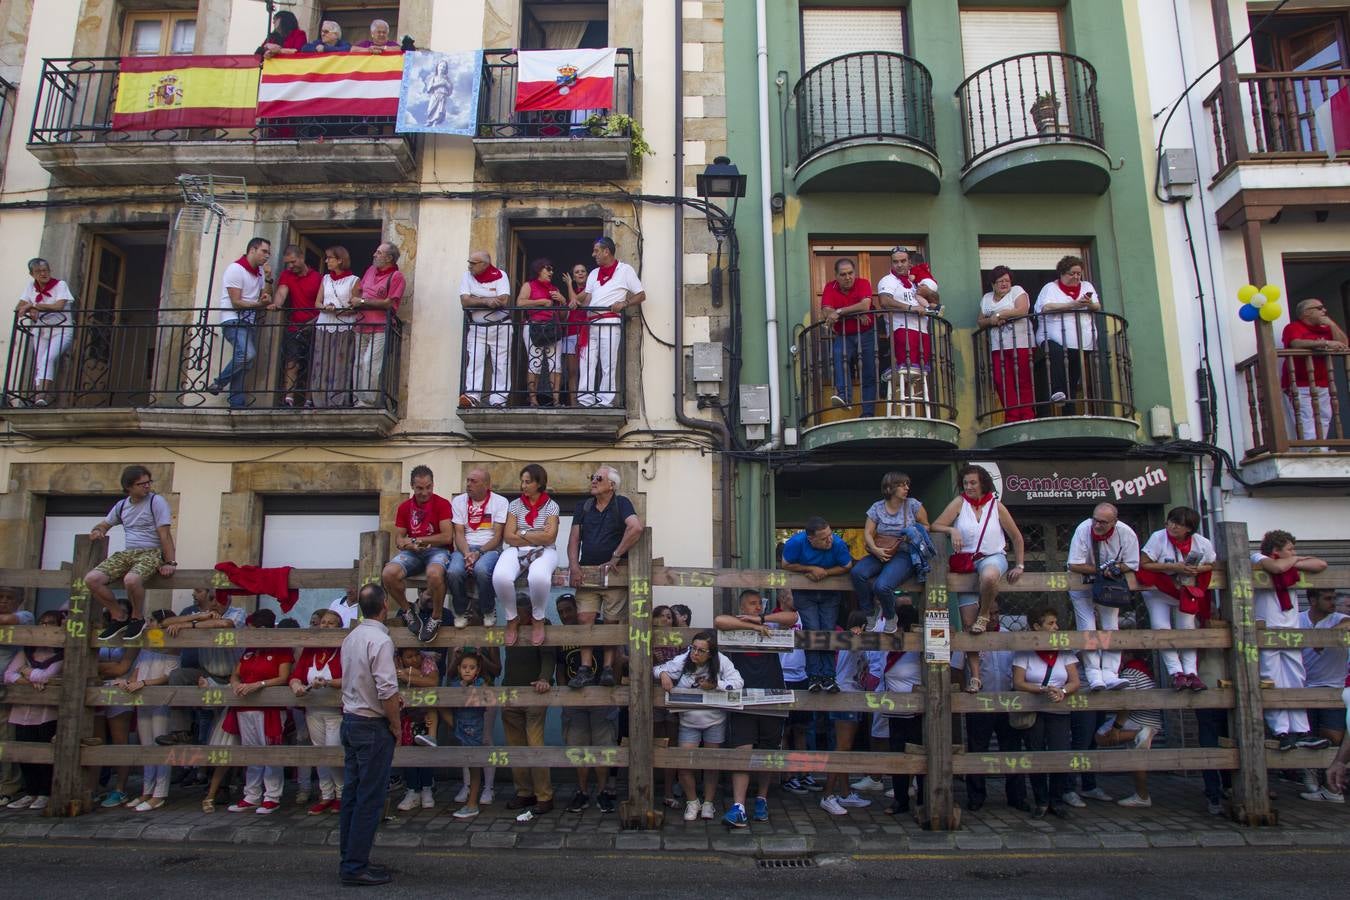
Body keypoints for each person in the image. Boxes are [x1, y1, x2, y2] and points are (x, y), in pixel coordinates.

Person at [930, 464, 1025, 690]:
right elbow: (935, 524)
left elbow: (1017, 537)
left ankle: (985, 614)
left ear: (983, 483)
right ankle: (975, 675)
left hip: (992, 556)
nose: (969, 487)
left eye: (973, 483)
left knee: (991, 577)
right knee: (967, 624)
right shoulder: (959, 503)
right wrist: (952, 530)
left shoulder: (996, 506)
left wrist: (1020, 564)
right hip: (965, 563)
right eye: (965, 483)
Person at [714, 588, 796, 828]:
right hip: (742, 697)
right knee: (743, 749)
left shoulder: (770, 622)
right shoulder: (735, 624)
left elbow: (793, 617)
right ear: (742, 607)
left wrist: (762, 620)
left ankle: (762, 798)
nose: (757, 607)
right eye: (752, 604)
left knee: (769, 750)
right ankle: (739, 806)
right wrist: (752, 626)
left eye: (759, 604)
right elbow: (719, 621)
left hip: (773, 695)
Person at [338, 585, 400, 886]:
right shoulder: (381, 640)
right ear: (384, 606)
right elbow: (387, 689)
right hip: (371, 724)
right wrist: (396, 724)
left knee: (352, 793)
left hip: (350, 719)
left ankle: (350, 858)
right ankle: (355, 865)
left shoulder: (351, 638)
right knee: (369, 798)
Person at [1252, 530, 1333, 752]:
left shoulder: (1291, 562)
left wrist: (1294, 559)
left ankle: (1301, 730)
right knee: (1272, 678)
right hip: (1267, 629)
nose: (1294, 553)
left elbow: (1321, 564)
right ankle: (1281, 731)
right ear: (1275, 550)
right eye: (1289, 549)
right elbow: (1276, 568)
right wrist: (1296, 561)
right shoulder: (1258, 558)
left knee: (1296, 677)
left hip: (1290, 628)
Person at [655, 630, 743, 822]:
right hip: (688, 721)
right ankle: (692, 801)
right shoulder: (684, 659)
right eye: (693, 648)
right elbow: (659, 668)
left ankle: (709, 802)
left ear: (710, 653)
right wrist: (663, 674)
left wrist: (716, 684)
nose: (695, 653)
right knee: (685, 761)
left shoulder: (721, 661)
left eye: (701, 651)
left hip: (714, 720)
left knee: (711, 763)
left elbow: (738, 682)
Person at [566, 465, 642, 687]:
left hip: (614, 575)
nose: (593, 481)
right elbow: (573, 540)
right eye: (592, 477)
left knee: (611, 621)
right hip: (587, 573)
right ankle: (585, 668)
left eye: (598, 478)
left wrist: (616, 556)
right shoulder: (584, 506)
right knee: (584, 619)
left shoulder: (622, 503)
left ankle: (608, 668)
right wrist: (574, 566)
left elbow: (636, 528)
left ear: (612, 484)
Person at [88, 464, 177, 642]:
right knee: (91, 579)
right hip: (129, 552)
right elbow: (105, 524)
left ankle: (137, 617)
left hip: (150, 551)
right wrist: (98, 530)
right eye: (141, 484)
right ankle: (119, 616)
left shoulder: (156, 501)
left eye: (148, 482)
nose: (147, 486)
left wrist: (170, 562)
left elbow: (164, 534)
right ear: (128, 487)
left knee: (131, 580)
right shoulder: (121, 506)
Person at [1012, 603, 1080, 819]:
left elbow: (1075, 681)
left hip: (1058, 709)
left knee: (1060, 752)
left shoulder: (1064, 652)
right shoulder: (1025, 653)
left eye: (1055, 622)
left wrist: (1062, 691)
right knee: (1036, 753)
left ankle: (1056, 799)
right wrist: (1041, 689)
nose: (1055, 627)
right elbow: (1018, 682)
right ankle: (1041, 799)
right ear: (1036, 627)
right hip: (1034, 709)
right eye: (1050, 623)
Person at [1138, 506, 1216, 690]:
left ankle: (1191, 672)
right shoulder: (1158, 537)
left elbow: (1211, 564)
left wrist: (1195, 569)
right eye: (1171, 522)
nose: (1173, 527)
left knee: (1188, 627)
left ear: (1189, 528)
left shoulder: (1202, 543)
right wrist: (1176, 567)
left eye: (1179, 524)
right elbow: (1144, 563)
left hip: (1186, 589)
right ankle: (1175, 672)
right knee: (1161, 627)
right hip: (1159, 590)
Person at [224, 611, 293, 814]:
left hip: (270, 707)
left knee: (270, 751)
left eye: (250, 628)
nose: (248, 632)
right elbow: (236, 674)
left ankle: (272, 795)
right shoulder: (249, 650)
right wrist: (236, 684)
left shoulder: (281, 650)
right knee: (251, 751)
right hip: (246, 706)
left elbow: (283, 677)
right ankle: (251, 794)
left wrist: (258, 685)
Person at [557, 594, 620, 814]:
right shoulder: (562, 635)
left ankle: (603, 792)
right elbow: (560, 669)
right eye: (561, 612)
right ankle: (582, 792)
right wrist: (564, 697)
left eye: (568, 610)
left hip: (602, 699)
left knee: (603, 747)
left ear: (579, 609)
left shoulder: (600, 628)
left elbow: (616, 659)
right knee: (578, 748)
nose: (565, 615)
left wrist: (613, 692)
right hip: (574, 701)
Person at [1065, 502, 1138, 691]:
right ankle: (1093, 674)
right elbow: (1074, 564)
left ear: (1114, 522)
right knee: (1087, 627)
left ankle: (1110, 673)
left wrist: (1115, 569)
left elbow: (1132, 563)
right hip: (1082, 583)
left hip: (1109, 586)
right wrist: (1101, 570)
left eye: (1103, 523)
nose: (1097, 525)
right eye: (1095, 520)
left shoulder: (1126, 533)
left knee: (1110, 626)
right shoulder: (1084, 529)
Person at [780, 515, 854, 692]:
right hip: (805, 594)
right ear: (810, 539)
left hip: (830, 594)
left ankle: (829, 677)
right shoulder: (796, 543)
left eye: (830, 534)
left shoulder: (837, 543)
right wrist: (810, 568)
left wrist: (825, 573)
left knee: (827, 631)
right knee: (812, 630)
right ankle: (814, 676)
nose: (829, 539)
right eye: (824, 538)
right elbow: (786, 564)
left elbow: (847, 565)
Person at [851, 471, 931, 634]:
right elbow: (868, 532)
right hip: (880, 549)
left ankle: (890, 616)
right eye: (902, 485)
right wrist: (875, 549)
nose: (906, 488)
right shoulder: (877, 507)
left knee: (882, 586)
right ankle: (869, 613)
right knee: (857, 572)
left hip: (903, 552)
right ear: (889, 487)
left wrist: (914, 533)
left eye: (907, 484)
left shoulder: (913, 504)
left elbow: (926, 525)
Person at [382, 465, 454, 643]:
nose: (425, 492)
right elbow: (399, 538)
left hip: (437, 550)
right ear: (412, 486)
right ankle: (408, 611)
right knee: (388, 574)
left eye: (428, 487)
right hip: (413, 552)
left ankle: (436, 618)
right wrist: (407, 545)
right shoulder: (405, 507)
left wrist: (417, 540)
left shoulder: (442, 504)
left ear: (433, 484)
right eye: (420, 488)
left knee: (434, 574)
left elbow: (447, 536)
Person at [963, 621, 1029, 813]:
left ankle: (1017, 796)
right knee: (977, 750)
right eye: (989, 613)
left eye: (996, 613)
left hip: (1008, 701)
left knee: (1012, 749)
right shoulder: (969, 637)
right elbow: (957, 668)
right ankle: (976, 796)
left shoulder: (1009, 635)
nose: (993, 617)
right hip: (979, 702)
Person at [819, 611, 880, 815]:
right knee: (842, 747)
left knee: (845, 746)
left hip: (852, 693)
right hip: (846, 694)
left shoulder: (851, 640)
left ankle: (845, 793)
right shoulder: (852, 639)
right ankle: (827, 795)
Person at [501, 594, 556, 821]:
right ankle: (524, 792)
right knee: (516, 748)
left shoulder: (543, 624)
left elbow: (548, 655)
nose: (519, 617)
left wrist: (545, 678)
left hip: (534, 693)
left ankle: (544, 796)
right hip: (510, 693)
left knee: (535, 746)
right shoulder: (510, 625)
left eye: (522, 613)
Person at [3, 610, 64, 811]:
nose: (46, 627)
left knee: (44, 753)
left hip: (46, 713)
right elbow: (8, 675)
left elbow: (47, 676)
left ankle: (45, 792)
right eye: (43, 623)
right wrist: (28, 678)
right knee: (24, 753)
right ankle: (31, 791)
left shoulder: (61, 654)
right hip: (21, 710)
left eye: (51, 623)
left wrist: (26, 671)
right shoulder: (27, 650)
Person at [494, 464, 560, 648]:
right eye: (522, 481)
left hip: (545, 550)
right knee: (500, 577)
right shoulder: (515, 505)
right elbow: (508, 536)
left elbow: (550, 537)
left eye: (528, 482)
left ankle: (538, 618)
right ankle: (511, 617)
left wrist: (521, 532)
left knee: (538, 577)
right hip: (518, 549)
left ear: (539, 483)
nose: (523, 486)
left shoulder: (552, 506)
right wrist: (534, 534)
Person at [208, 237, 277, 409]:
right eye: (264, 251)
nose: (267, 256)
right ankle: (218, 383)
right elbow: (236, 302)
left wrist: (268, 279)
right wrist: (259, 305)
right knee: (247, 355)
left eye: (268, 252)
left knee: (246, 361)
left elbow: (266, 296)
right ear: (252, 250)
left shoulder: (259, 273)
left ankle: (237, 403)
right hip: (233, 319)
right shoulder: (236, 269)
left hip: (249, 321)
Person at [575, 237, 644, 408]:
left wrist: (624, 303)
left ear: (607, 251)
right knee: (587, 361)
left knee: (608, 362)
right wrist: (575, 301)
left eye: (596, 250)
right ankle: (585, 399)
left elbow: (641, 294)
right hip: (591, 322)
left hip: (609, 321)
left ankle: (605, 401)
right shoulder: (593, 274)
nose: (593, 254)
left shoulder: (625, 270)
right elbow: (588, 297)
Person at [1092, 647, 1163, 808]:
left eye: (1121, 654)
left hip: (1139, 720)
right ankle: (1142, 796)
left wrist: (1117, 728)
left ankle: (1139, 733)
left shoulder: (1130, 672)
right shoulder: (1142, 669)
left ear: (1129, 655)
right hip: (1151, 719)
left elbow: (1127, 704)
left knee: (1101, 736)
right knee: (1137, 759)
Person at [291, 609, 345, 815]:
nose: (326, 626)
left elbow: (350, 678)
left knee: (333, 751)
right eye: (324, 623)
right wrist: (296, 686)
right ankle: (326, 794)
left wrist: (329, 683)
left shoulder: (342, 650)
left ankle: (341, 793)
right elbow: (296, 675)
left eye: (332, 623)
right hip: (313, 709)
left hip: (335, 712)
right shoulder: (310, 651)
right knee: (319, 753)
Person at [1298, 589, 1350, 801]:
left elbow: (1348, 624)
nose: (1333, 603)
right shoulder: (1298, 619)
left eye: (1334, 598)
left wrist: (1326, 637)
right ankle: (1311, 778)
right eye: (1327, 599)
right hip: (1303, 686)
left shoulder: (1339, 619)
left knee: (1333, 737)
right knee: (1305, 737)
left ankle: (1333, 786)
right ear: (1312, 600)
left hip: (1333, 686)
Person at [115, 642, 180, 811]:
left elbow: (168, 676)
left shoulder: (171, 648)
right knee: (146, 747)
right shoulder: (145, 649)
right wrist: (127, 682)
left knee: (161, 746)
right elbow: (136, 672)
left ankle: (159, 793)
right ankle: (147, 790)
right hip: (142, 699)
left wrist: (144, 683)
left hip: (161, 700)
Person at [448, 609, 502, 806]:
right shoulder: (458, 638)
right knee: (465, 740)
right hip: (463, 695)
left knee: (485, 739)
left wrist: (481, 657)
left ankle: (488, 787)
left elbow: (497, 670)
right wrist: (457, 657)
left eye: (474, 612)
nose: (470, 617)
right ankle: (468, 785)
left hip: (486, 693)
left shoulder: (490, 638)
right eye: (467, 613)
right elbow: (450, 673)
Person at [1034, 255, 1101, 410]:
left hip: (1081, 341)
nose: (1076, 277)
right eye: (1072, 273)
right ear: (1063, 273)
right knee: (1056, 354)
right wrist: (1073, 305)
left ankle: (1069, 411)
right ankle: (1057, 391)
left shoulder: (1086, 286)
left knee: (1072, 377)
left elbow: (1097, 307)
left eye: (1079, 273)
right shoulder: (1050, 288)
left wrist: (1089, 303)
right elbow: (1045, 308)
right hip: (1052, 336)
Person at [1280, 297, 1348, 443]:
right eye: (1319, 308)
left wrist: (1332, 324)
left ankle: (1321, 448)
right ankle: (1312, 449)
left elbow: (1343, 344)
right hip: (1298, 383)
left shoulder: (1326, 328)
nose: (1324, 310)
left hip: (1323, 382)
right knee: (1305, 417)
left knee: (1324, 416)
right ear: (1306, 313)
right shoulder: (1293, 327)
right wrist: (1326, 343)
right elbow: (1295, 343)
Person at [878, 605, 924, 815]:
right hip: (894, 710)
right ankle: (900, 800)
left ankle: (924, 799)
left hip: (916, 712)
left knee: (919, 757)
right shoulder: (891, 644)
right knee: (897, 756)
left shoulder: (918, 647)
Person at [448, 467, 508, 628]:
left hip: (489, 548)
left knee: (481, 569)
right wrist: (468, 553)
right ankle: (460, 612)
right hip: (464, 547)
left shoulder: (500, 502)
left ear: (486, 485)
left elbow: (497, 537)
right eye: (467, 480)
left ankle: (488, 609)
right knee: (453, 571)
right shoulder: (458, 501)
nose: (468, 484)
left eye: (473, 481)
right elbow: (458, 533)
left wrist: (478, 553)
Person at [875, 248, 940, 393]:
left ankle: (908, 390)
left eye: (903, 261)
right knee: (907, 367)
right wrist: (911, 308)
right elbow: (885, 301)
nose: (899, 265)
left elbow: (935, 300)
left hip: (922, 330)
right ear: (891, 263)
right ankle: (892, 376)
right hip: (901, 328)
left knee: (919, 370)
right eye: (895, 262)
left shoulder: (917, 279)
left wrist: (928, 292)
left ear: (909, 262)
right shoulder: (888, 280)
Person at [977, 264, 1034, 422]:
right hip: (998, 346)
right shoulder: (987, 298)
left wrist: (1000, 314)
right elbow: (981, 321)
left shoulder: (1017, 291)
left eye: (1007, 281)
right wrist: (993, 320)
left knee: (1023, 379)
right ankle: (1012, 415)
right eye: (1000, 281)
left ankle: (1027, 415)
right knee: (1001, 380)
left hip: (1021, 343)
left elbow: (1022, 310)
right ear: (993, 284)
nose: (1004, 284)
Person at [15, 257, 75, 407]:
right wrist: (30, 309)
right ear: (32, 274)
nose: (43, 273)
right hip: (41, 331)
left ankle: (41, 395)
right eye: (38, 271)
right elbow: (19, 308)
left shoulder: (60, 285)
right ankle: (38, 398)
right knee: (39, 362)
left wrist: (34, 305)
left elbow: (59, 306)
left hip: (61, 330)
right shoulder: (31, 286)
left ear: (49, 271)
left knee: (48, 358)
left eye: (45, 270)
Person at [819, 258, 876, 415]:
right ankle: (844, 397)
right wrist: (855, 315)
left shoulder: (863, 283)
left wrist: (839, 312)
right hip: (844, 335)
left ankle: (868, 413)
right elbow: (826, 313)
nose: (847, 277)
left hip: (866, 334)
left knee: (869, 373)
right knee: (838, 357)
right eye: (843, 274)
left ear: (855, 273)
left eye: (850, 273)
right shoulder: (830, 287)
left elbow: (864, 305)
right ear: (836, 276)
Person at [350, 242, 404, 407]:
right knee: (358, 363)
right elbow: (359, 291)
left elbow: (390, 303)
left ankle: (368, 401)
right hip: (361, 325)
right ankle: (357, 399)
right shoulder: (370, 271)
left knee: (370, 363)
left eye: (379, 253)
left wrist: (363, 301)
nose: (374, 254)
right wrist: (355, 300)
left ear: (389, 258)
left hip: (380, 327)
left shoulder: (396, 277)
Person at [458, 250, 512, 408]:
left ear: (484, 264)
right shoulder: (467, 276)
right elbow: (465, 301)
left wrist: (476, 299)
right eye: (469, 263)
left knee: (501, 363)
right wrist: (487, 300)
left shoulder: (500, 275)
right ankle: (472, 396)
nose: (469, 266)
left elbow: (503, 299)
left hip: (501, 326)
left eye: (473, 263)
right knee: (475, 360)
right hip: (477, 328)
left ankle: (499, 399)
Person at [0, 586, 36, 806]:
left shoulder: (25, 616)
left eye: (9, 598)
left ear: (19, 600)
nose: (4, 601)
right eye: (0, 597)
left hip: (8, 689)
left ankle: (8, 786)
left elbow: (7, 620)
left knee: (5, 738)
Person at [273, 245, 322, 408]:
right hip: (295, 326)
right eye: (287, 263)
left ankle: (309, 400)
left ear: (301, 257)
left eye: (293, 262)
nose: (290, 266)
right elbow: (281, 293)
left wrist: (313, 322)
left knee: (313, 364)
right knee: (292, 362)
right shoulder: (286, 275)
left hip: (315, 326)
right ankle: (289, 399)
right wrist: (276, 304)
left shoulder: (318, 278)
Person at [394, 646, 440, 811]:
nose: (414, 659)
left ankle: (427, 788)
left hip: (426, 713)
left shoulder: (428, 661)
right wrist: (417, 676)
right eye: (409, 656)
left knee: (426, 752)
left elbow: (433, 681)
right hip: (406, 715)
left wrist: (409, 676)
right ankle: (413, 790)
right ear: (400, 658)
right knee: (408, 752)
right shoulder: (394, 663)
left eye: (416, 655)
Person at [311, 245, 358, 409]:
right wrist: (325, 308)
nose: (326, 261)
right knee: (321, 362)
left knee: (340, 363)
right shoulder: (325, 279)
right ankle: (319, 400)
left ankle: (337, 401)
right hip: (324, 325)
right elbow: (317, 302)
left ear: (340, 260)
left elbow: (355, 307)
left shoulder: (354, 280)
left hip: (344, 327)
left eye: (329, 258)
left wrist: (338, 310)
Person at [517, 258, 566, 406]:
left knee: (555, 364)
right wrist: (542, 302)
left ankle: (556, 400)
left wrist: (563, 301)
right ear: (539, 270)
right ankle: (533, 400)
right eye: (548, 269)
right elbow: (520, 303)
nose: (551, 272)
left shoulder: (555, 289)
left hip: (553, 328)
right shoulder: (529, 285)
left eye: (552, 269)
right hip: (534, 327)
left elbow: (563, 317)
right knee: (534, 363)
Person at [449, 652, 489, 818]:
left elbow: (486, 702)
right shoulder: (454, 685)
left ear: (477, 671)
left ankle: (472, 803)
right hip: (458, 725)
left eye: (471, 668)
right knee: (465, 761)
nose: (467, 671)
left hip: (474, 728)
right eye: (464, 667)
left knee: (474, 764)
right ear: (458, 669)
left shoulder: (480, 685)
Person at [562, 263, 591, 404]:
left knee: (587, 369)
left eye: (583, 271)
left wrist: (569, 285)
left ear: (587, 274)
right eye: (577, 272)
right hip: (571, 333)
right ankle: (574, 404)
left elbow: (576, 301)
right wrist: (570, 286)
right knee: (572, 371)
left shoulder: (591, 289)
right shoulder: (572, 291)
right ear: (573, 276)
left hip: (586, 333)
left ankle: (586, 401)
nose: (580, 273)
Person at [424, 59, 454, 126]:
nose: (442, 68)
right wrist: (439, 83)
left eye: (444, 67)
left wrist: (445, 83)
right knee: (430, 109)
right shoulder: (434, 78)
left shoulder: (447, 79)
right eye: (440, 66)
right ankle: (429, 121)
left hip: (442, 96)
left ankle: (435, 122)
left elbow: (450, 89)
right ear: (437, 67)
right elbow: (429, 89)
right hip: (435, 95)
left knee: (440, 111)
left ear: (446, 69)